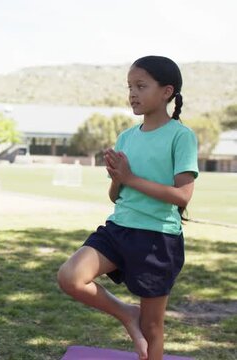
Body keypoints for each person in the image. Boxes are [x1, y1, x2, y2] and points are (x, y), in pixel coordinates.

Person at [57, 56, 198, 360]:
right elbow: (116, 196)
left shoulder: (181, 136)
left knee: (152, 328)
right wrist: (117, 180)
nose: (132, 93)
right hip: (119, 229)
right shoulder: (126, 137)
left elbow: (183, 196)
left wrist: (130, 177)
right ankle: (126, 313)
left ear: (166, 91)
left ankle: (138, 321)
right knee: (70, 277)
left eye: (141, 86)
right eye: (130, 86)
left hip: (157, 239)